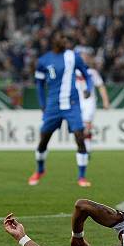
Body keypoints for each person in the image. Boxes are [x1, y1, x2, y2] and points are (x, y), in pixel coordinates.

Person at [28, 32, 94, 187]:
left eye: (66, 39)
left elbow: (87, 74)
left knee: (80, 136)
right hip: (53, 105)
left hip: (72, 104)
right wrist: (43, 105)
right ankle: (39, 170)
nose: (64, 41)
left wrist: (88, 88)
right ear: (54, 41)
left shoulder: (73, 57)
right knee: (44, 139)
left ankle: (81, 176)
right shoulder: (43, 61)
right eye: (61, 38)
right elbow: (39, 85)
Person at [75, 47, 110, 154]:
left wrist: (106, 101)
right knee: (79, 128)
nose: (84, 58)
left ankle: (87, 148)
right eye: (82, 56)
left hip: (89, 101)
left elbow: (101, 86)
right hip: (77, 102)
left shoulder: (92, 72)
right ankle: (85, 146)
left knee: (87, 124)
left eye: (86, 56)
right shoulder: (73, 72)